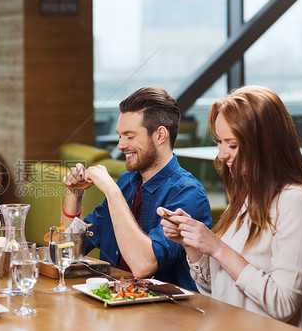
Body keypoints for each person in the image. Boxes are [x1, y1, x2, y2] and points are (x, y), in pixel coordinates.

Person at [158, 86, 302, 331]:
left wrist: (217, 248)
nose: (221, 154)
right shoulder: (245, 198)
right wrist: (191, 244)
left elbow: (283, 304)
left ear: (265, 145)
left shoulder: (296, 200)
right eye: (219, 141)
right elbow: (213, 289)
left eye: (233, 144)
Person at [62, 86, 211, 291]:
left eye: (129, 136)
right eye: (120, 136)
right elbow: (67, 251)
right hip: (115, 303)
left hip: (167, 316)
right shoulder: (126, 182)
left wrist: (112, 193)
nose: (120, 145)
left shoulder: (187, 193)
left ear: (160, 135)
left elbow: (143, 265)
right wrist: (74, 194)